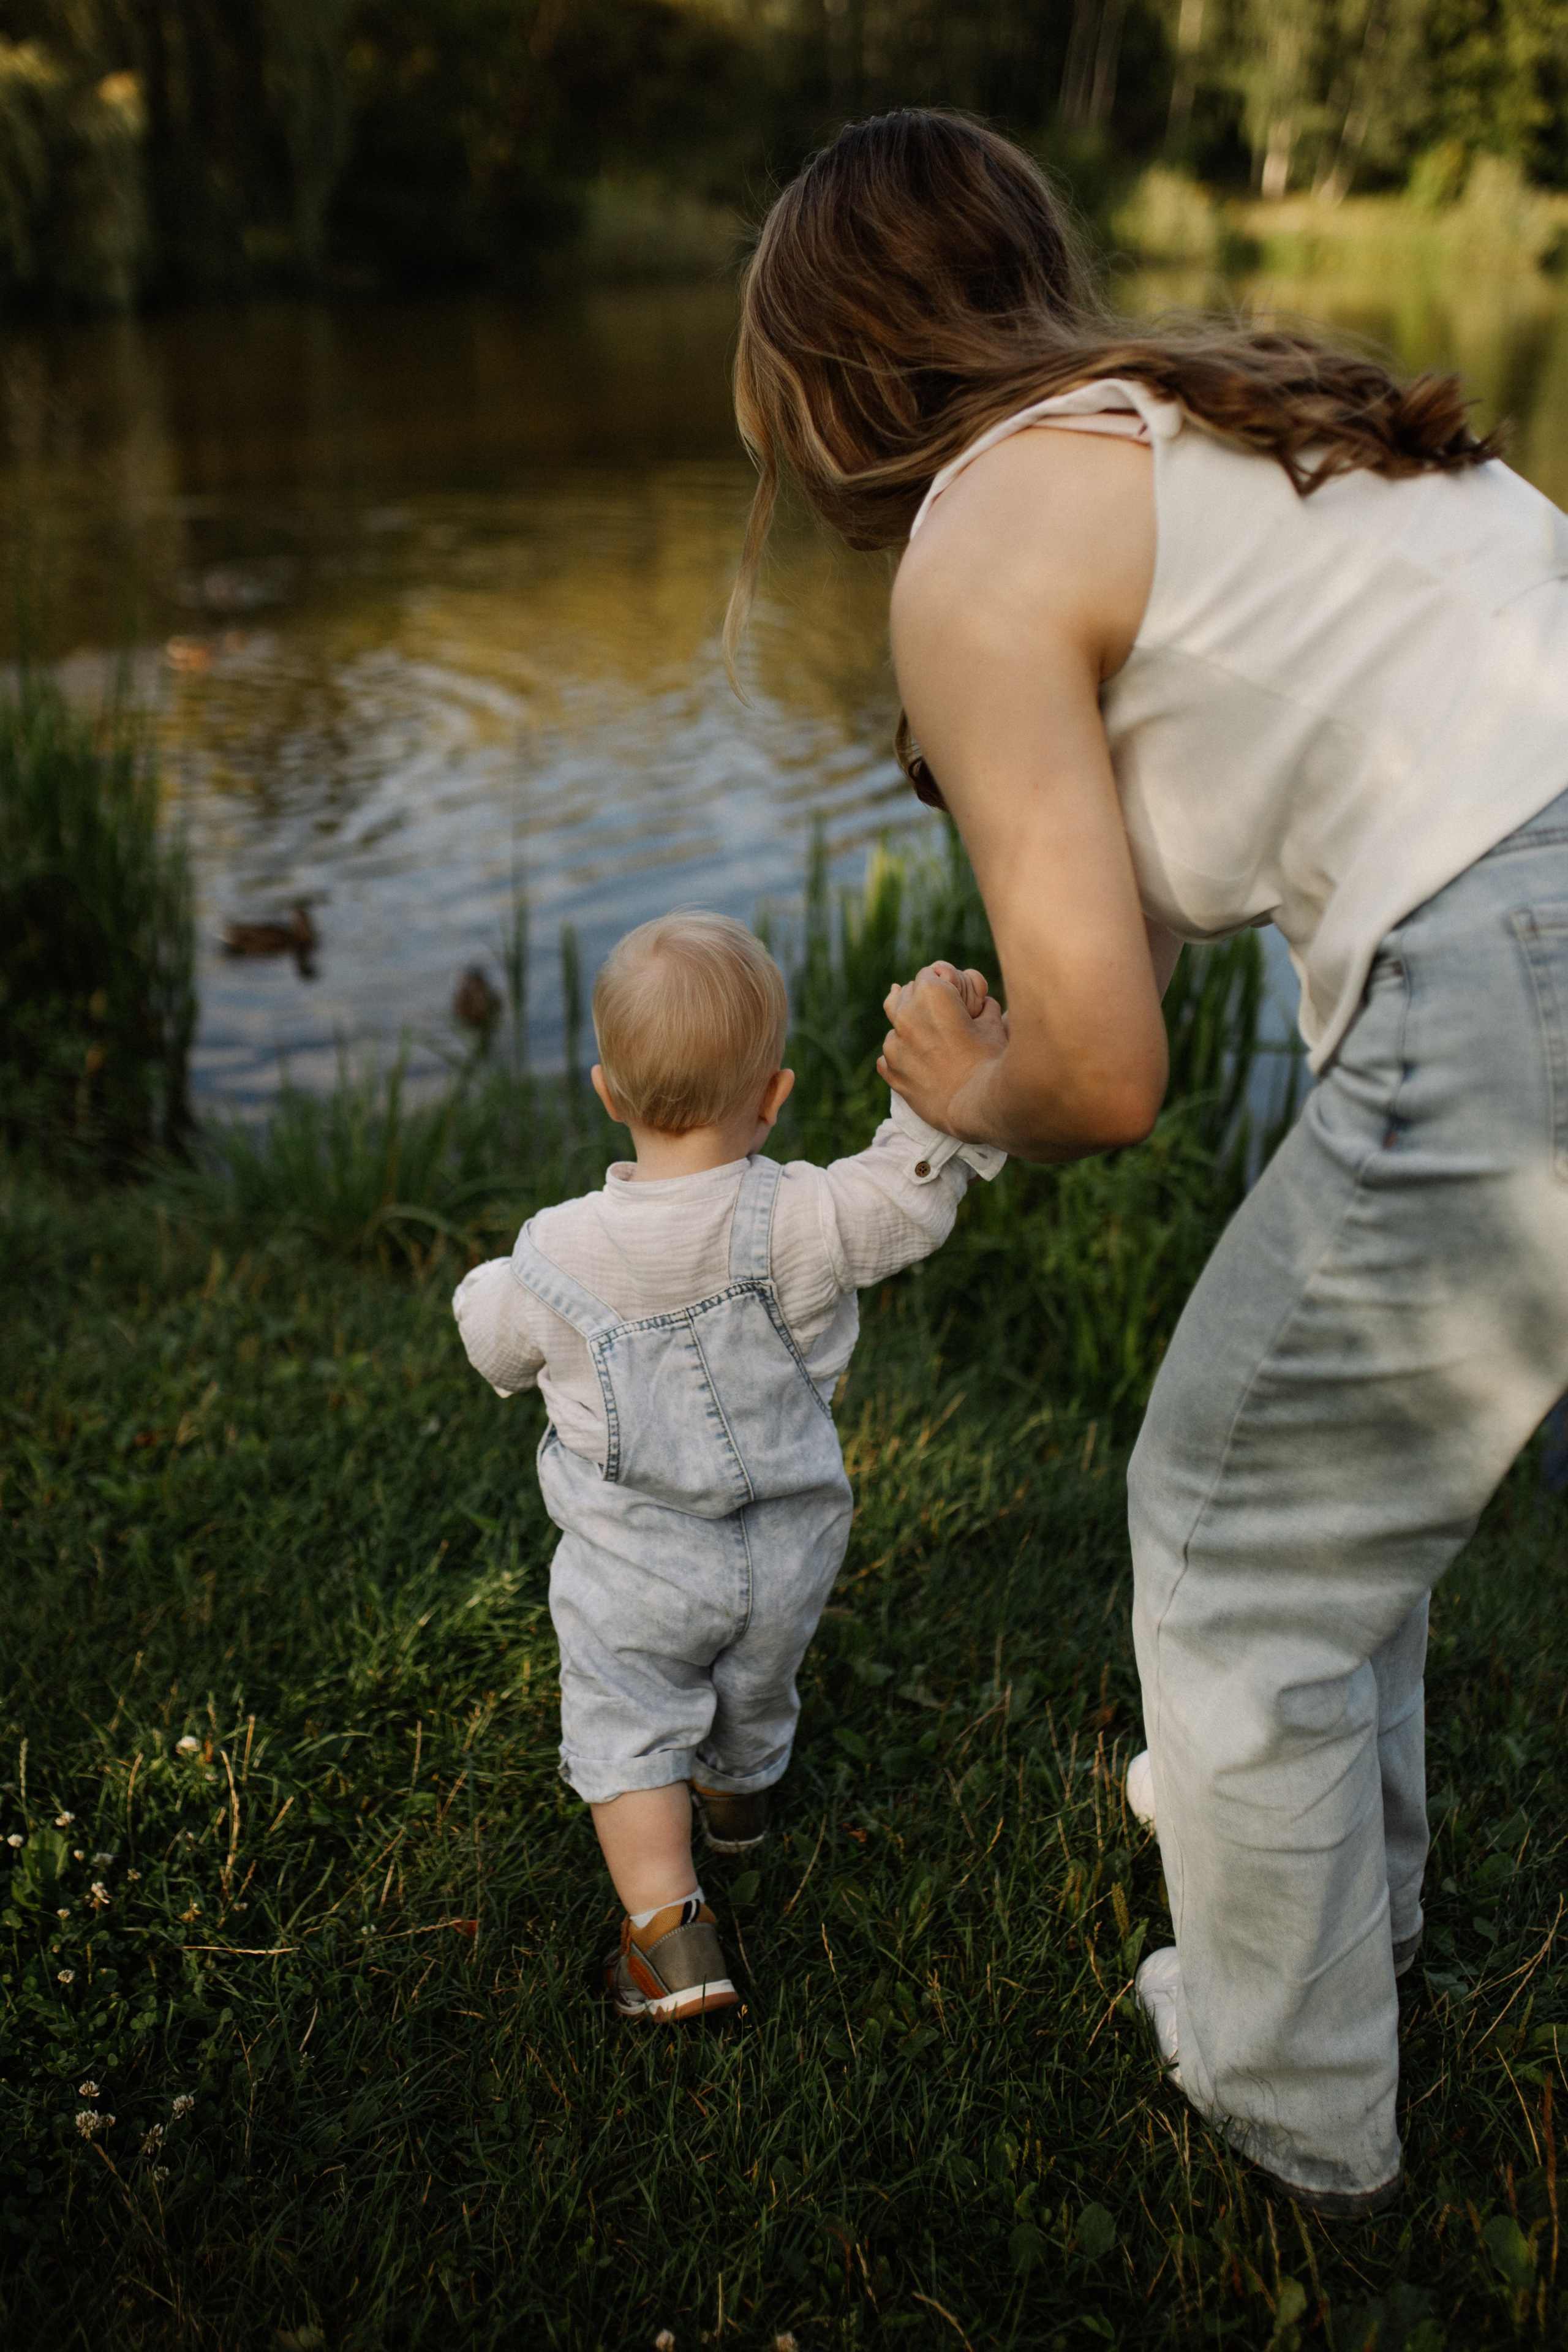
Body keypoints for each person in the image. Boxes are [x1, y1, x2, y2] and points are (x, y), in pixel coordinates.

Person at [728, 108, 1568, 2215]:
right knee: (1314, 1496)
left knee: (1226, 1531)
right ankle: (1343, 1925)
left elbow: (1107, 1081)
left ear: (822, 385)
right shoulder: (1210, 413)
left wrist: (951, 1078)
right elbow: (1164, 903)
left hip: (1515, 949)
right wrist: (1032, 1034)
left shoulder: (975, 540)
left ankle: (1292, 2116)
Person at [452, 911, 1003, 2022]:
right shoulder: (805, 1216)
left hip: (633, 1572)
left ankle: (669, 1937)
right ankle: (741, 1810)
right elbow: (908, 1194)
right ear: (775, 1094)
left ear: (608, 1092)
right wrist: (944, 1084)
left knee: (629, 1717)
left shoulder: (556, 1250)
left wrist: (480, 1290)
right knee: (756, 1678)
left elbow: (491, 1337)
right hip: (789, 1549)